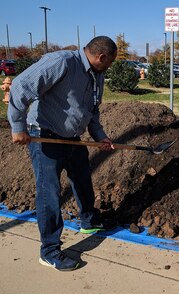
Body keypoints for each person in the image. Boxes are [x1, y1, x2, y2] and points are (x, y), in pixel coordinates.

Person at [7, 36, 118, 271]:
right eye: (109, 63)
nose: (109, 68)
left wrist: (100, 136)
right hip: (44, 135)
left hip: (72, 139)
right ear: (101, 57)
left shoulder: (97, 75)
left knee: (82, 179)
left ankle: (88, 222)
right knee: (49, 192)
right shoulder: (61, 62)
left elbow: (92, 110)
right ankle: (48, 251)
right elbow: (20, 85)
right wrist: (18, 127)